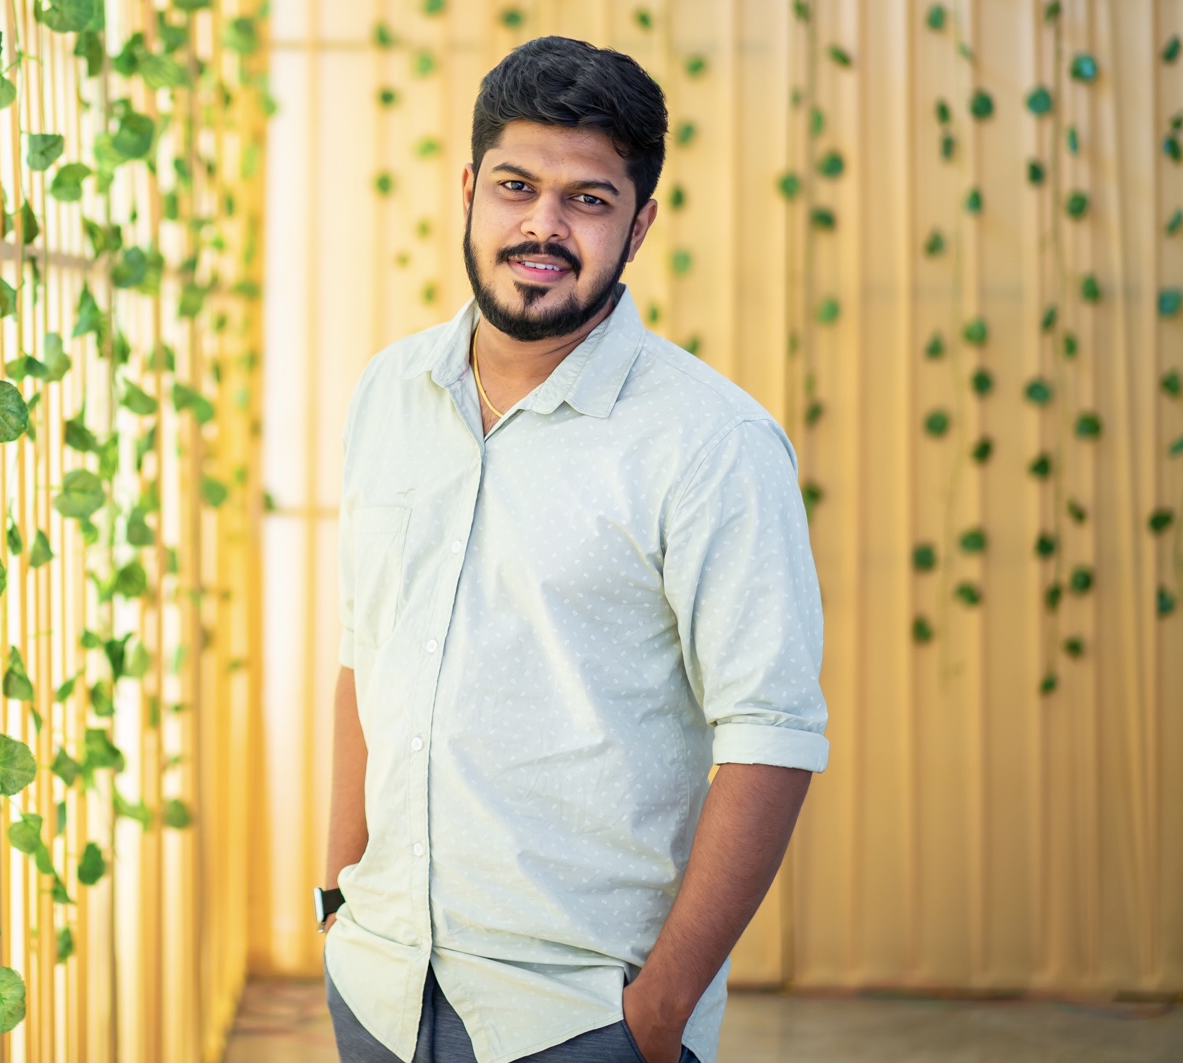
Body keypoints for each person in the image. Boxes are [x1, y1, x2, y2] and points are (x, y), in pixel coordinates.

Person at [323, 35, 828, 1063]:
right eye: (516, 186)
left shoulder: (712, 444)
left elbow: (771, 735)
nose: (541, 226)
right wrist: (337, 897)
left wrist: (658, 1012)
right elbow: (362, 651)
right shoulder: (388, 392)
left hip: (581, 1019)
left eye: (587, 200)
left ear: (638, 226)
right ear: (470, 189)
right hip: (376, 991)